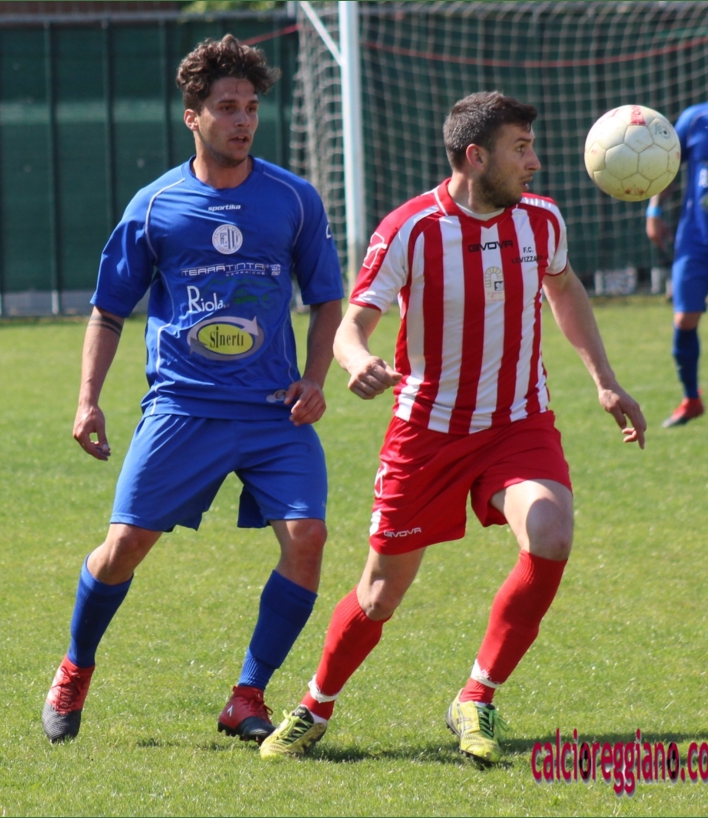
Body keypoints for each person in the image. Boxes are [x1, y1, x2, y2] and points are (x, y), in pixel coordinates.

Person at [258, 91, 647, 765]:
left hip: (519, 423)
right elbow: (353, 324)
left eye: (531, 146)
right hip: (427, 433)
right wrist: (356, 362)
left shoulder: (542, 221)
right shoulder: (411, 228)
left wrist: (604, 379)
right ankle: (315, 705)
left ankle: (477, 696)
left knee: (551, 532)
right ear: (476, 156)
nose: (534, 162)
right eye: (520, 148)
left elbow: (564, 289)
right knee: (380, 594)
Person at [41, 35, 343, 744]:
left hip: (273, 411)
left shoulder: (293, 200)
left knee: (308, 537)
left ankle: (247, 695)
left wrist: (315, 378)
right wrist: (87, 399)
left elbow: (328, 299)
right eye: (227, 107)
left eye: (251, 108)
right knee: (123, 546)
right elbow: (108, 311)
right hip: (183, 408)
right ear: (193, 116)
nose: (242, 120)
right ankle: (75, 667)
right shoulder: (155, 207)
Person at [646, 54, 708, 429]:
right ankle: (691, 399)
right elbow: (668, 169)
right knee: (685, 319)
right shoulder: (697, 119)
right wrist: (654, 211)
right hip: (695, 240)